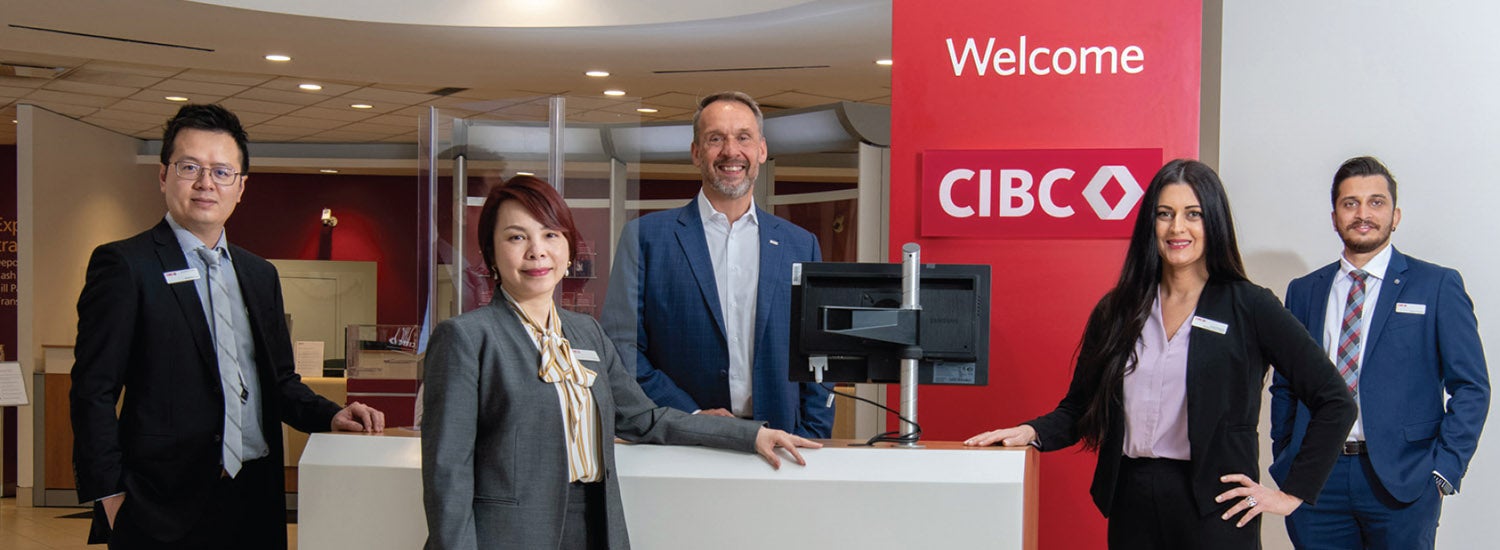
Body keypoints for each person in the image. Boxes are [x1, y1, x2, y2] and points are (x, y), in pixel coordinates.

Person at [964, 159, 1357, 549]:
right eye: (1164, 214)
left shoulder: (1250, 306)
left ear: (1213, 222)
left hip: (1215, 508)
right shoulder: (1118, 310)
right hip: (1132, 501)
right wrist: (1031, 433)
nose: (1177, 228)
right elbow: (1080, 407)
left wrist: (1292, 493)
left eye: (1193, 214)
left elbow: (1335, 400)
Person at [421, 175, 820, 550]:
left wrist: (749, 435)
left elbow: (647, 419)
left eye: (550, 234)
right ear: (490, 252)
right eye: (516, 237)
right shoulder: (466, 338)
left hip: (595, 527)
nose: (537, 251)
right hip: (509, 536)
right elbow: (447, 474)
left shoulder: (586, 334)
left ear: (568, 248)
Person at [70, 104, 386, 549]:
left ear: (241, 187)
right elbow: (93, 390)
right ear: (163, 176)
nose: (206, 183)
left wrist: (330, 414)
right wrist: (109, 495)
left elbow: (280, 382)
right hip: (160, 504)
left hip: (252, 499)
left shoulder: (259, 275)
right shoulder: (125, 265)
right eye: (189, 167)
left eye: (222, 172)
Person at [1271, 156, 1489, 550]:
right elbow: (1286, 384)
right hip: (1317, 479)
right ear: (1334, 216)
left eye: (1376, 202)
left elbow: (1471, 386)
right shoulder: (1304, 291)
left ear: (1395, 215)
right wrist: (1286, 455)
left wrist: (1444, 469)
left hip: (1403, 481)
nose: (1363, 214)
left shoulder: (1436, 285)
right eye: (1350, 203)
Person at [600, 91, 832, 438]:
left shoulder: (800, 244)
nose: (730, 151)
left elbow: (818, 353)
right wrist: (692, 416)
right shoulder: (646, 238)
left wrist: (812, 433)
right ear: (696, 152)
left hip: (783, 444)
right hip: (682, 441)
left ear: (762, 150)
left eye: (743, 138)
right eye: (715, 139)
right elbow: (622, 347)